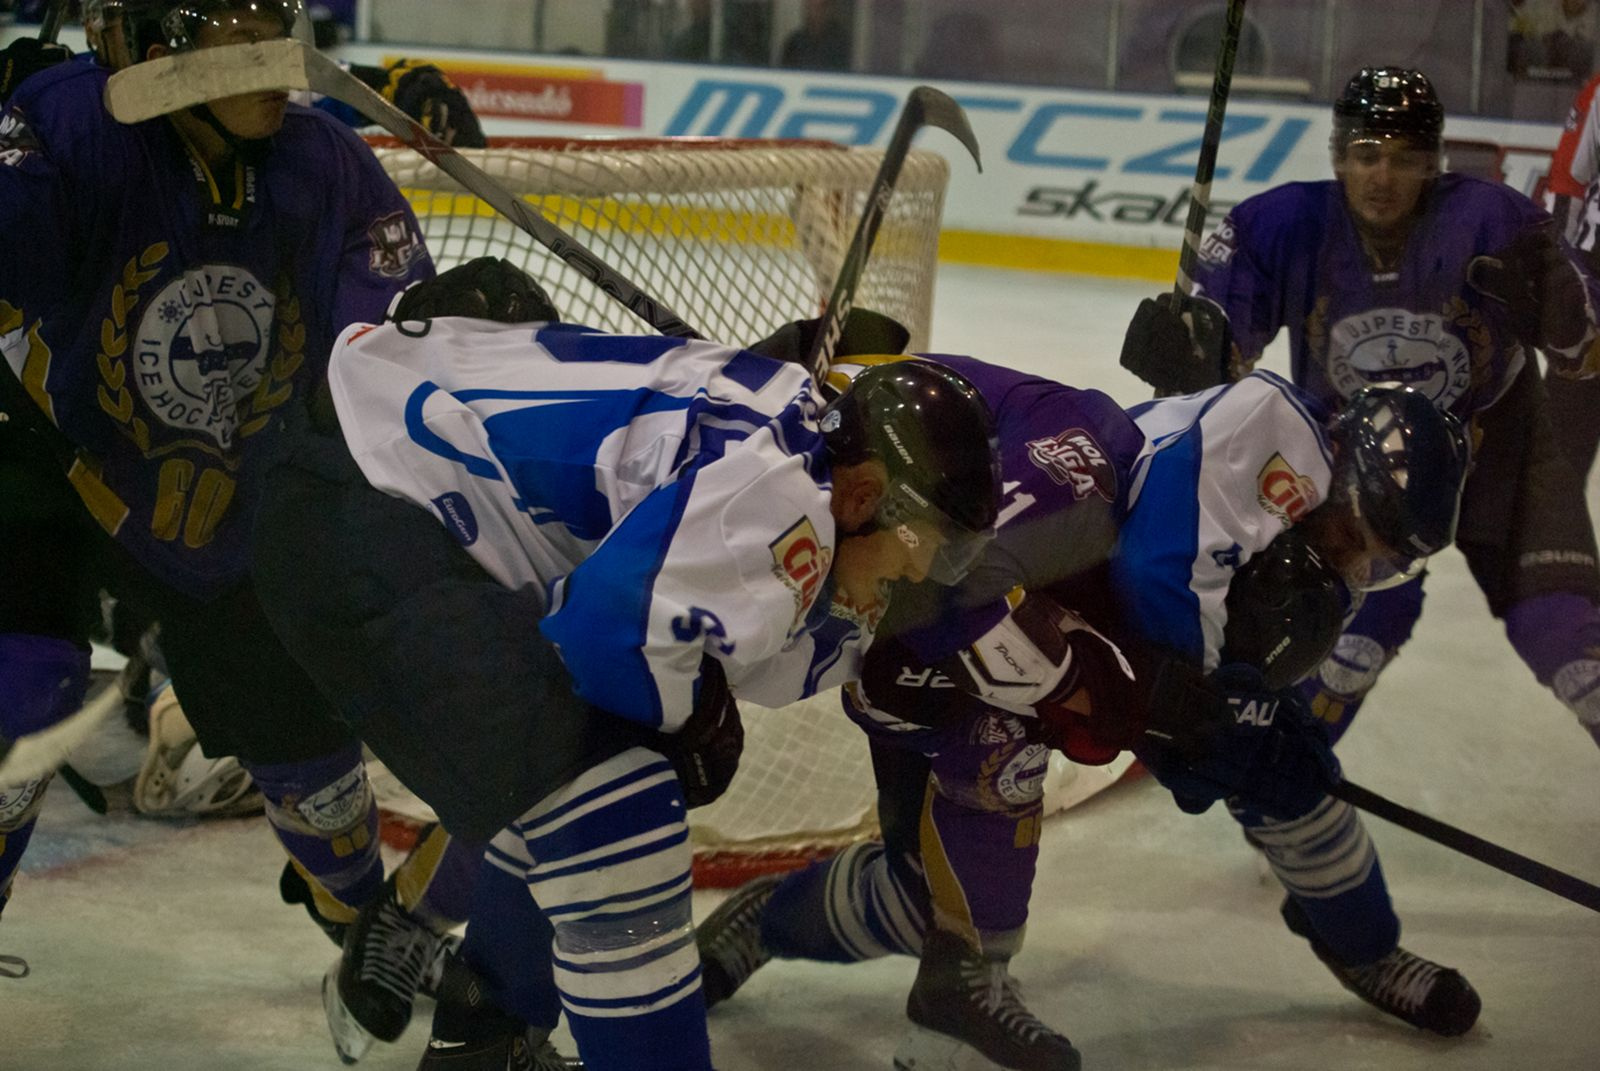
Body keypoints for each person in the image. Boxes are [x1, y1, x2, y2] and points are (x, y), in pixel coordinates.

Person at [245, 258, 1004, 1071]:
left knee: (597, 762)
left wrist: (689, 713)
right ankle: (489, 1031)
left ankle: (485, 1040)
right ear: (863, 494)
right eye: (927, 546)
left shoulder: (794, 446)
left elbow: (691, 628)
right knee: (620, 806)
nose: (924, 574)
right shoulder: (788, 497)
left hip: (361, 474)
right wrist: (690, 719)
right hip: (359, 508)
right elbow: (605, 631)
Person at [694, 348, 1474, 1067]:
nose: (1350, 563)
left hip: (1060, 634)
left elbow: (1171, 616)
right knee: (944, 859)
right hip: (937, 628)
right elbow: (1146, 574)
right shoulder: (1248, 441)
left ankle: (1367, 946)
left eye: (1375, 558)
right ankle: (800, 936)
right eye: (1350, 535)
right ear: (1337, 471)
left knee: (1287, 767)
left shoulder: (1262, 521)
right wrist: (1192, 715)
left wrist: (1219, 717)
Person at [0, 0, 474, 1054]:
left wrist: (471, 341)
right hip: (53, 458)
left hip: (232, 500)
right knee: (20, 680)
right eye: (241, 29)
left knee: (315, 764)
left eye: (281, 22)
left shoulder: (327, 161)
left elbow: (393, 342)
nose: (278, 55)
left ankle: (359, 917)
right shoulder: (69, 129)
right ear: (154, 46)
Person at [1540, 70, 1600, 482]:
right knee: (1563, 437)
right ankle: (1551, 539)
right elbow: (1567, 180)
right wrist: (1562, 271)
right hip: (1596, 274)